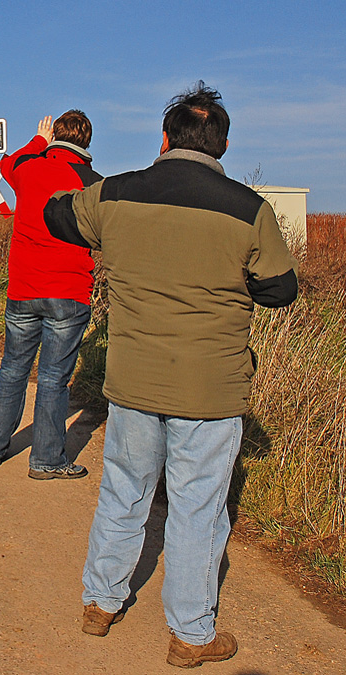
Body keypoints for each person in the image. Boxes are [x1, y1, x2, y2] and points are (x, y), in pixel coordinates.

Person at [43, 82, 297, 667]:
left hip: (133, 381)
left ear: (163, 139)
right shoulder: (247, 209)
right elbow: (281, 289)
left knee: (123, 491)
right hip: (210, 387)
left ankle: (100, 604)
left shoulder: (116, 195)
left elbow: (59, 215)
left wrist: (59, 161)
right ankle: (190, 633)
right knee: (197, 507)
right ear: (224, 145)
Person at [0, 110, 101, 480]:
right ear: (87, 142)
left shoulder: (29, 167)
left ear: (54, 136)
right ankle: (46, 460)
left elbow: (8, 164)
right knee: (53, 378)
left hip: (23, 289)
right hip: (69, 291)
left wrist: (38, 140)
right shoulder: (92, 181)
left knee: (12, 368)